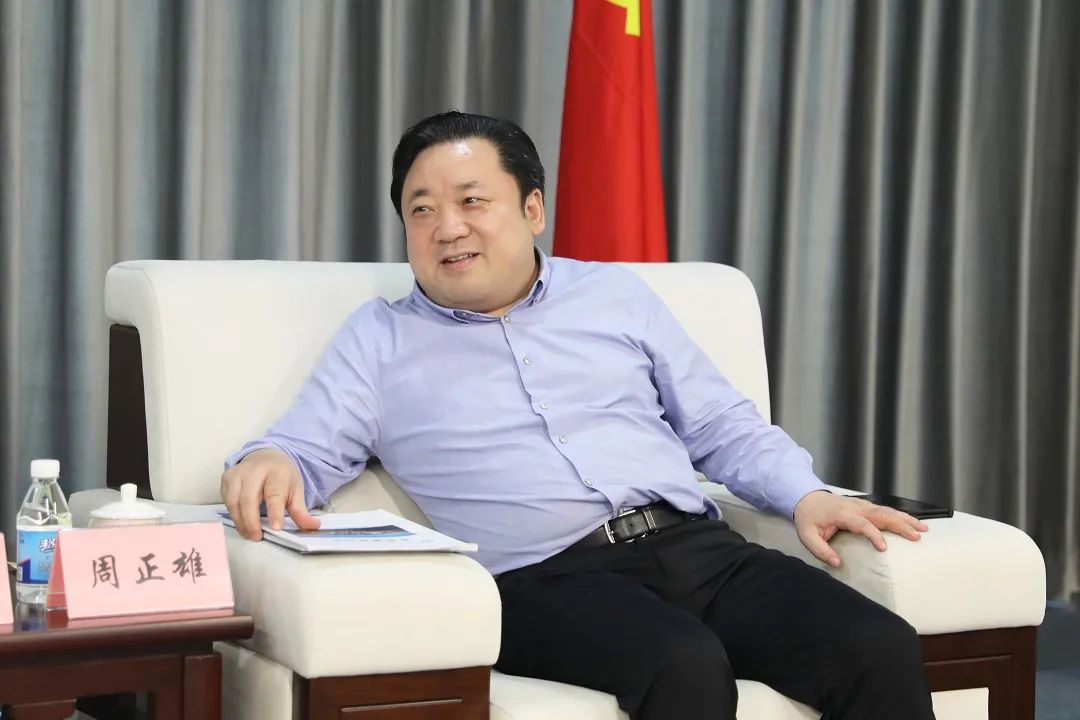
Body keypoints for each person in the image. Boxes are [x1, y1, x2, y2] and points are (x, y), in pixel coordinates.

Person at [221, 110, 935, 720]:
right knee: (684, 663)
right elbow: (303, 449)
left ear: (533, 209)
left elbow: (720, 423)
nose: (447, 228)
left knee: (879, 648)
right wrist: (269, 462)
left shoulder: (613, 296)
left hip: (699, 550)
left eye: (472, 201)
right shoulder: (379, 339)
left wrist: (806, 495)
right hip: (543, 582)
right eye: (422, 210)